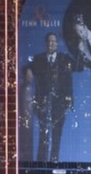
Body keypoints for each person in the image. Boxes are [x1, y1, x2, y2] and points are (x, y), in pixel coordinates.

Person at [23, 32, 77, 162]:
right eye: (49, 41)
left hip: (59, 105)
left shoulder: (64, 59)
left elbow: (77, 67)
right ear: (46, 44)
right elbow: (27, 67)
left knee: (57, 135)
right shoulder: (39, 59)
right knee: (43, 136)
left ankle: (54, 163)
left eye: (54, 41)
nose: (51, 43)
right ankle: (41, 164)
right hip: (43, 104)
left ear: (57, 44)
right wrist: (28, 71)